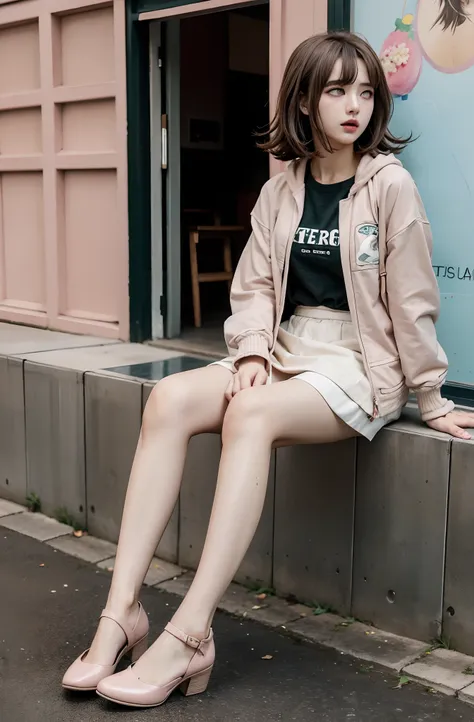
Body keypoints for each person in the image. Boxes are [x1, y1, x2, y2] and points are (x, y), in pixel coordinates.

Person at [62, 30, 474, 708]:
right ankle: (121, 612)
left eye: (366, 91)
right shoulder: (280, 191)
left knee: (248, 412)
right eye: (337, 90)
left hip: (357, 362)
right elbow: (253, 287)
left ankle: (191, 632)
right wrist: (252, 351)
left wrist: (429, 395)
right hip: (286, 350)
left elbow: (413, 300)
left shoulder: (390, 188)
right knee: (167, 398)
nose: (354, 106)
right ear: (306, 102)